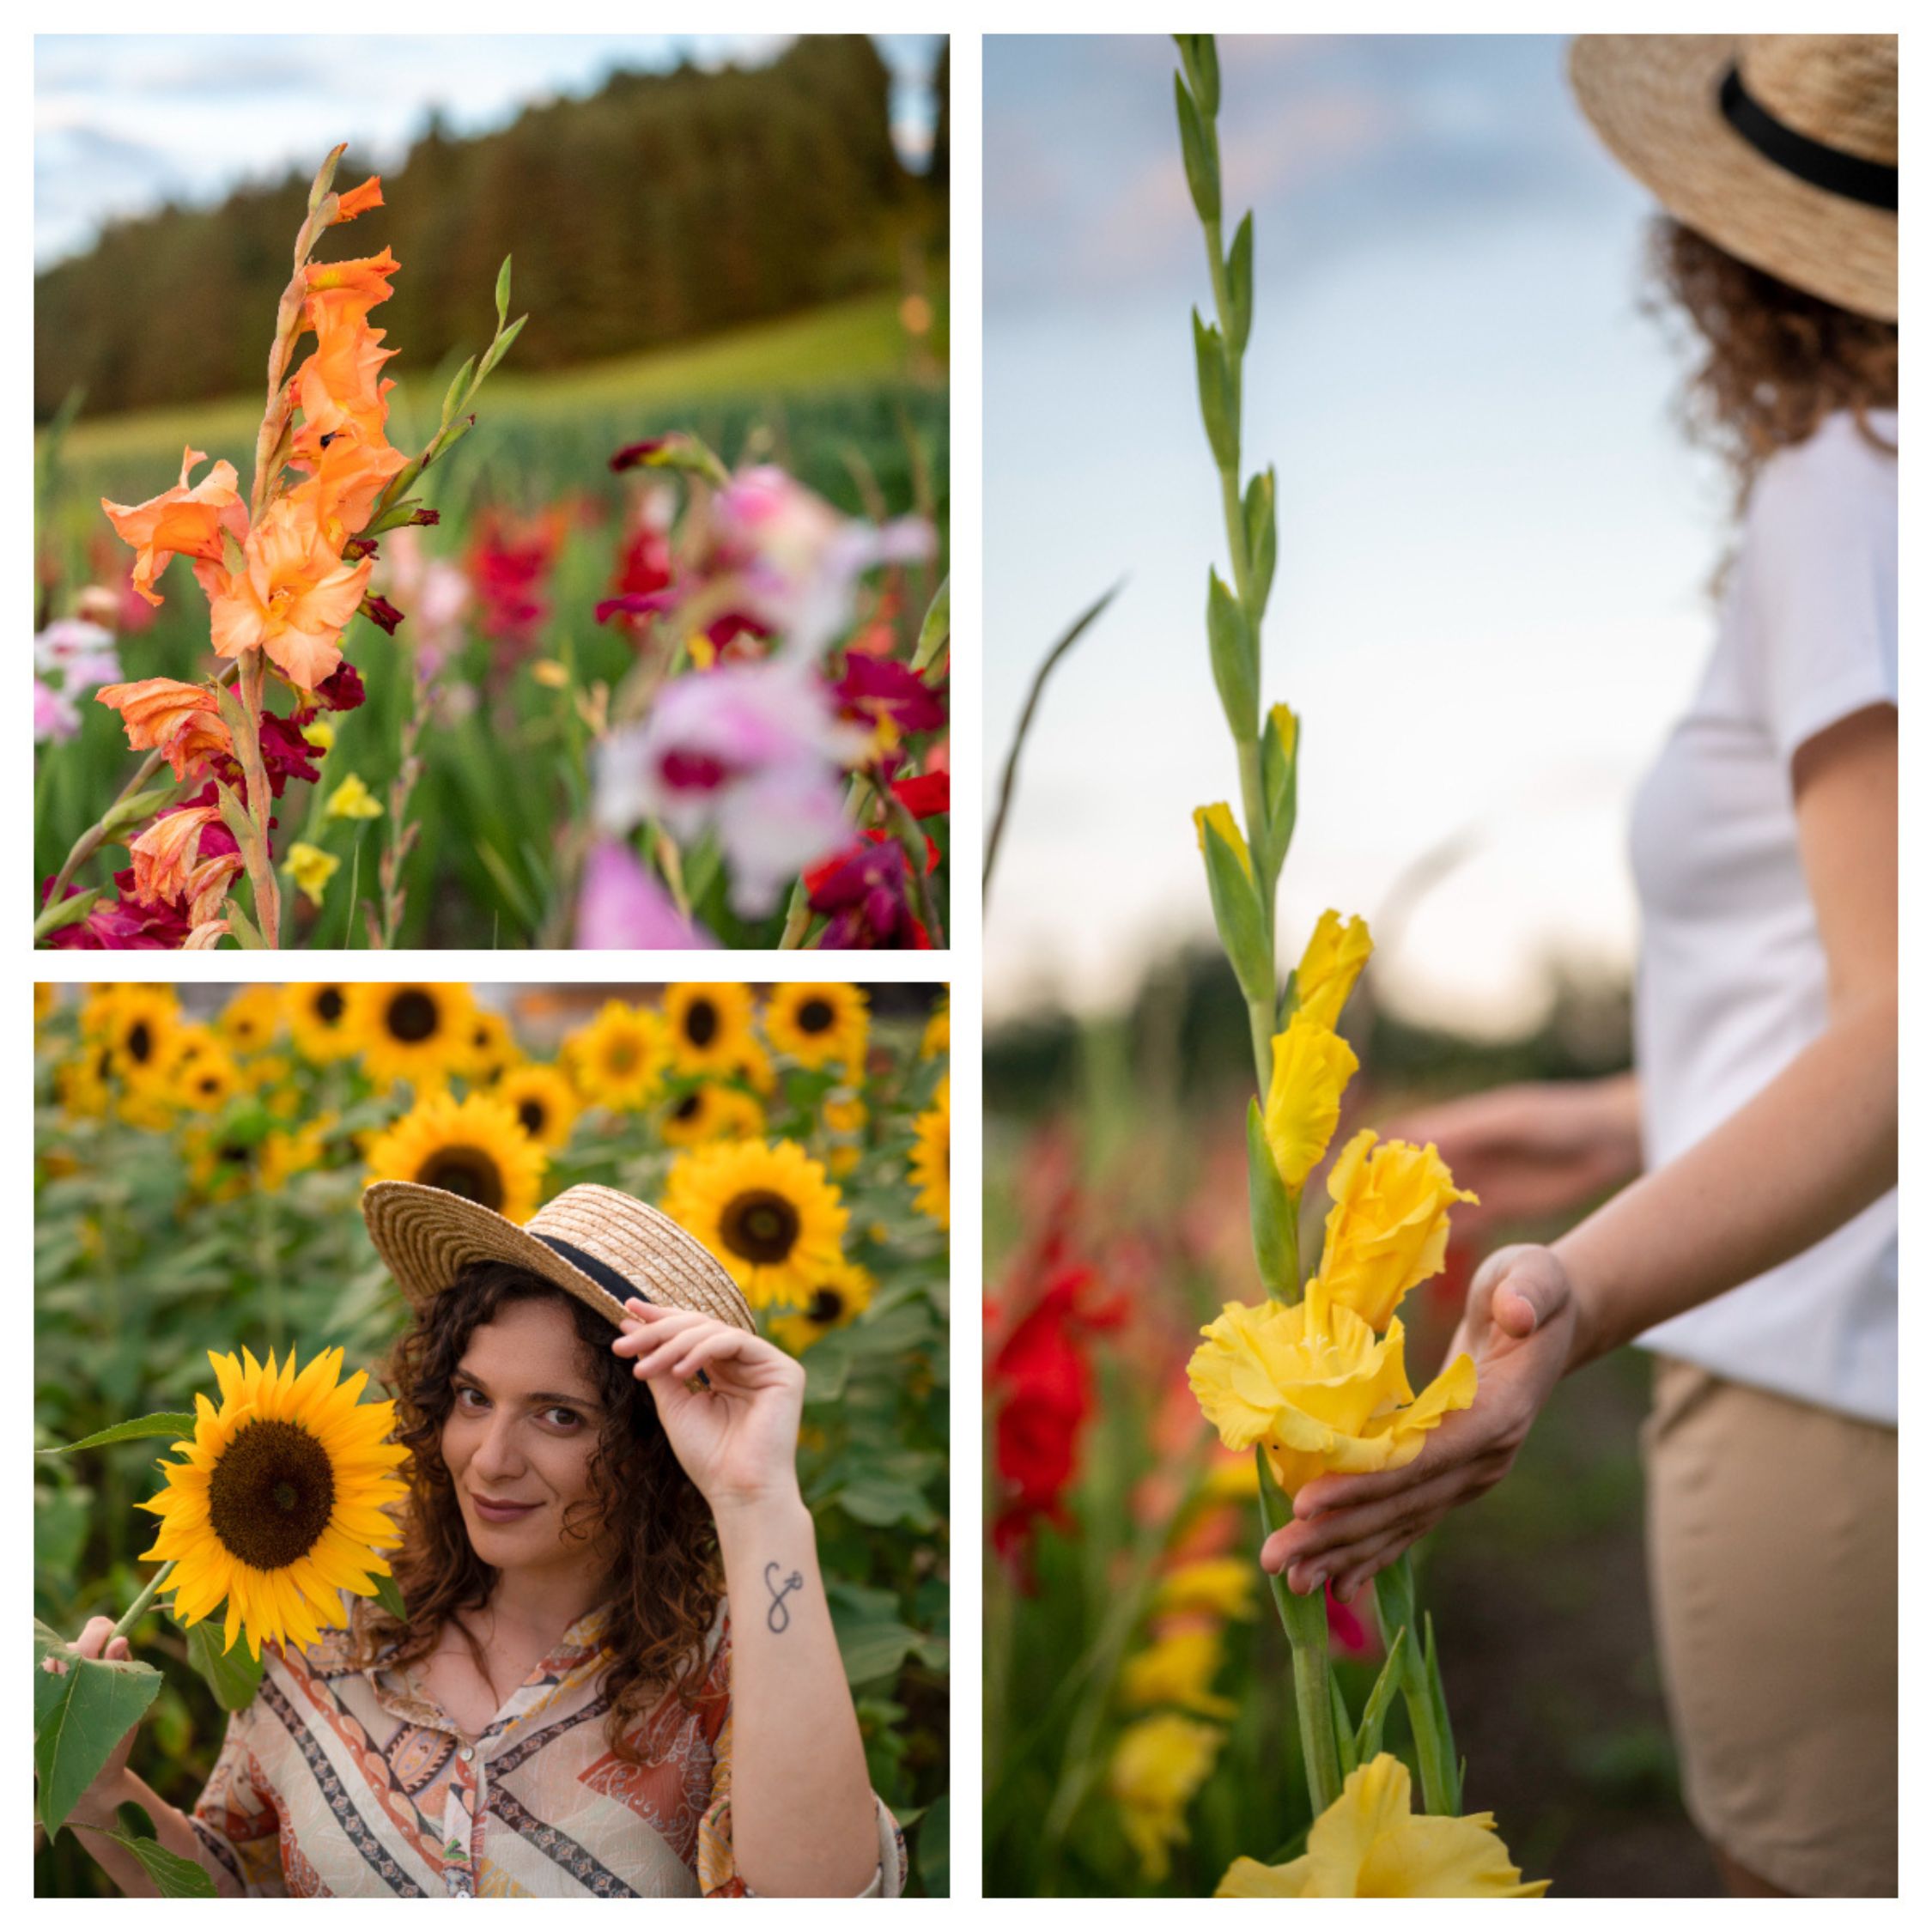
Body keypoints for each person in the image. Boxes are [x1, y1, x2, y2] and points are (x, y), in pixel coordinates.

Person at [1260, 33, 1897, 1900]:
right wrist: (1627, 1111)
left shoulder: (1848, 485)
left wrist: (1573, 1297)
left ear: (1733, 246)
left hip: (1830, 1394)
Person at [62, 1182, 903, 1898]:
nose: (490, 1461)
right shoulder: (328, 1613)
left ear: (658, 1448)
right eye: (472, 1398)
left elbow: (821, 1897)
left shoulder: (724, 1672)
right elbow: (236, 1885)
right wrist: (100, 1793)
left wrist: (758, 1497)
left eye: (559, 1416)